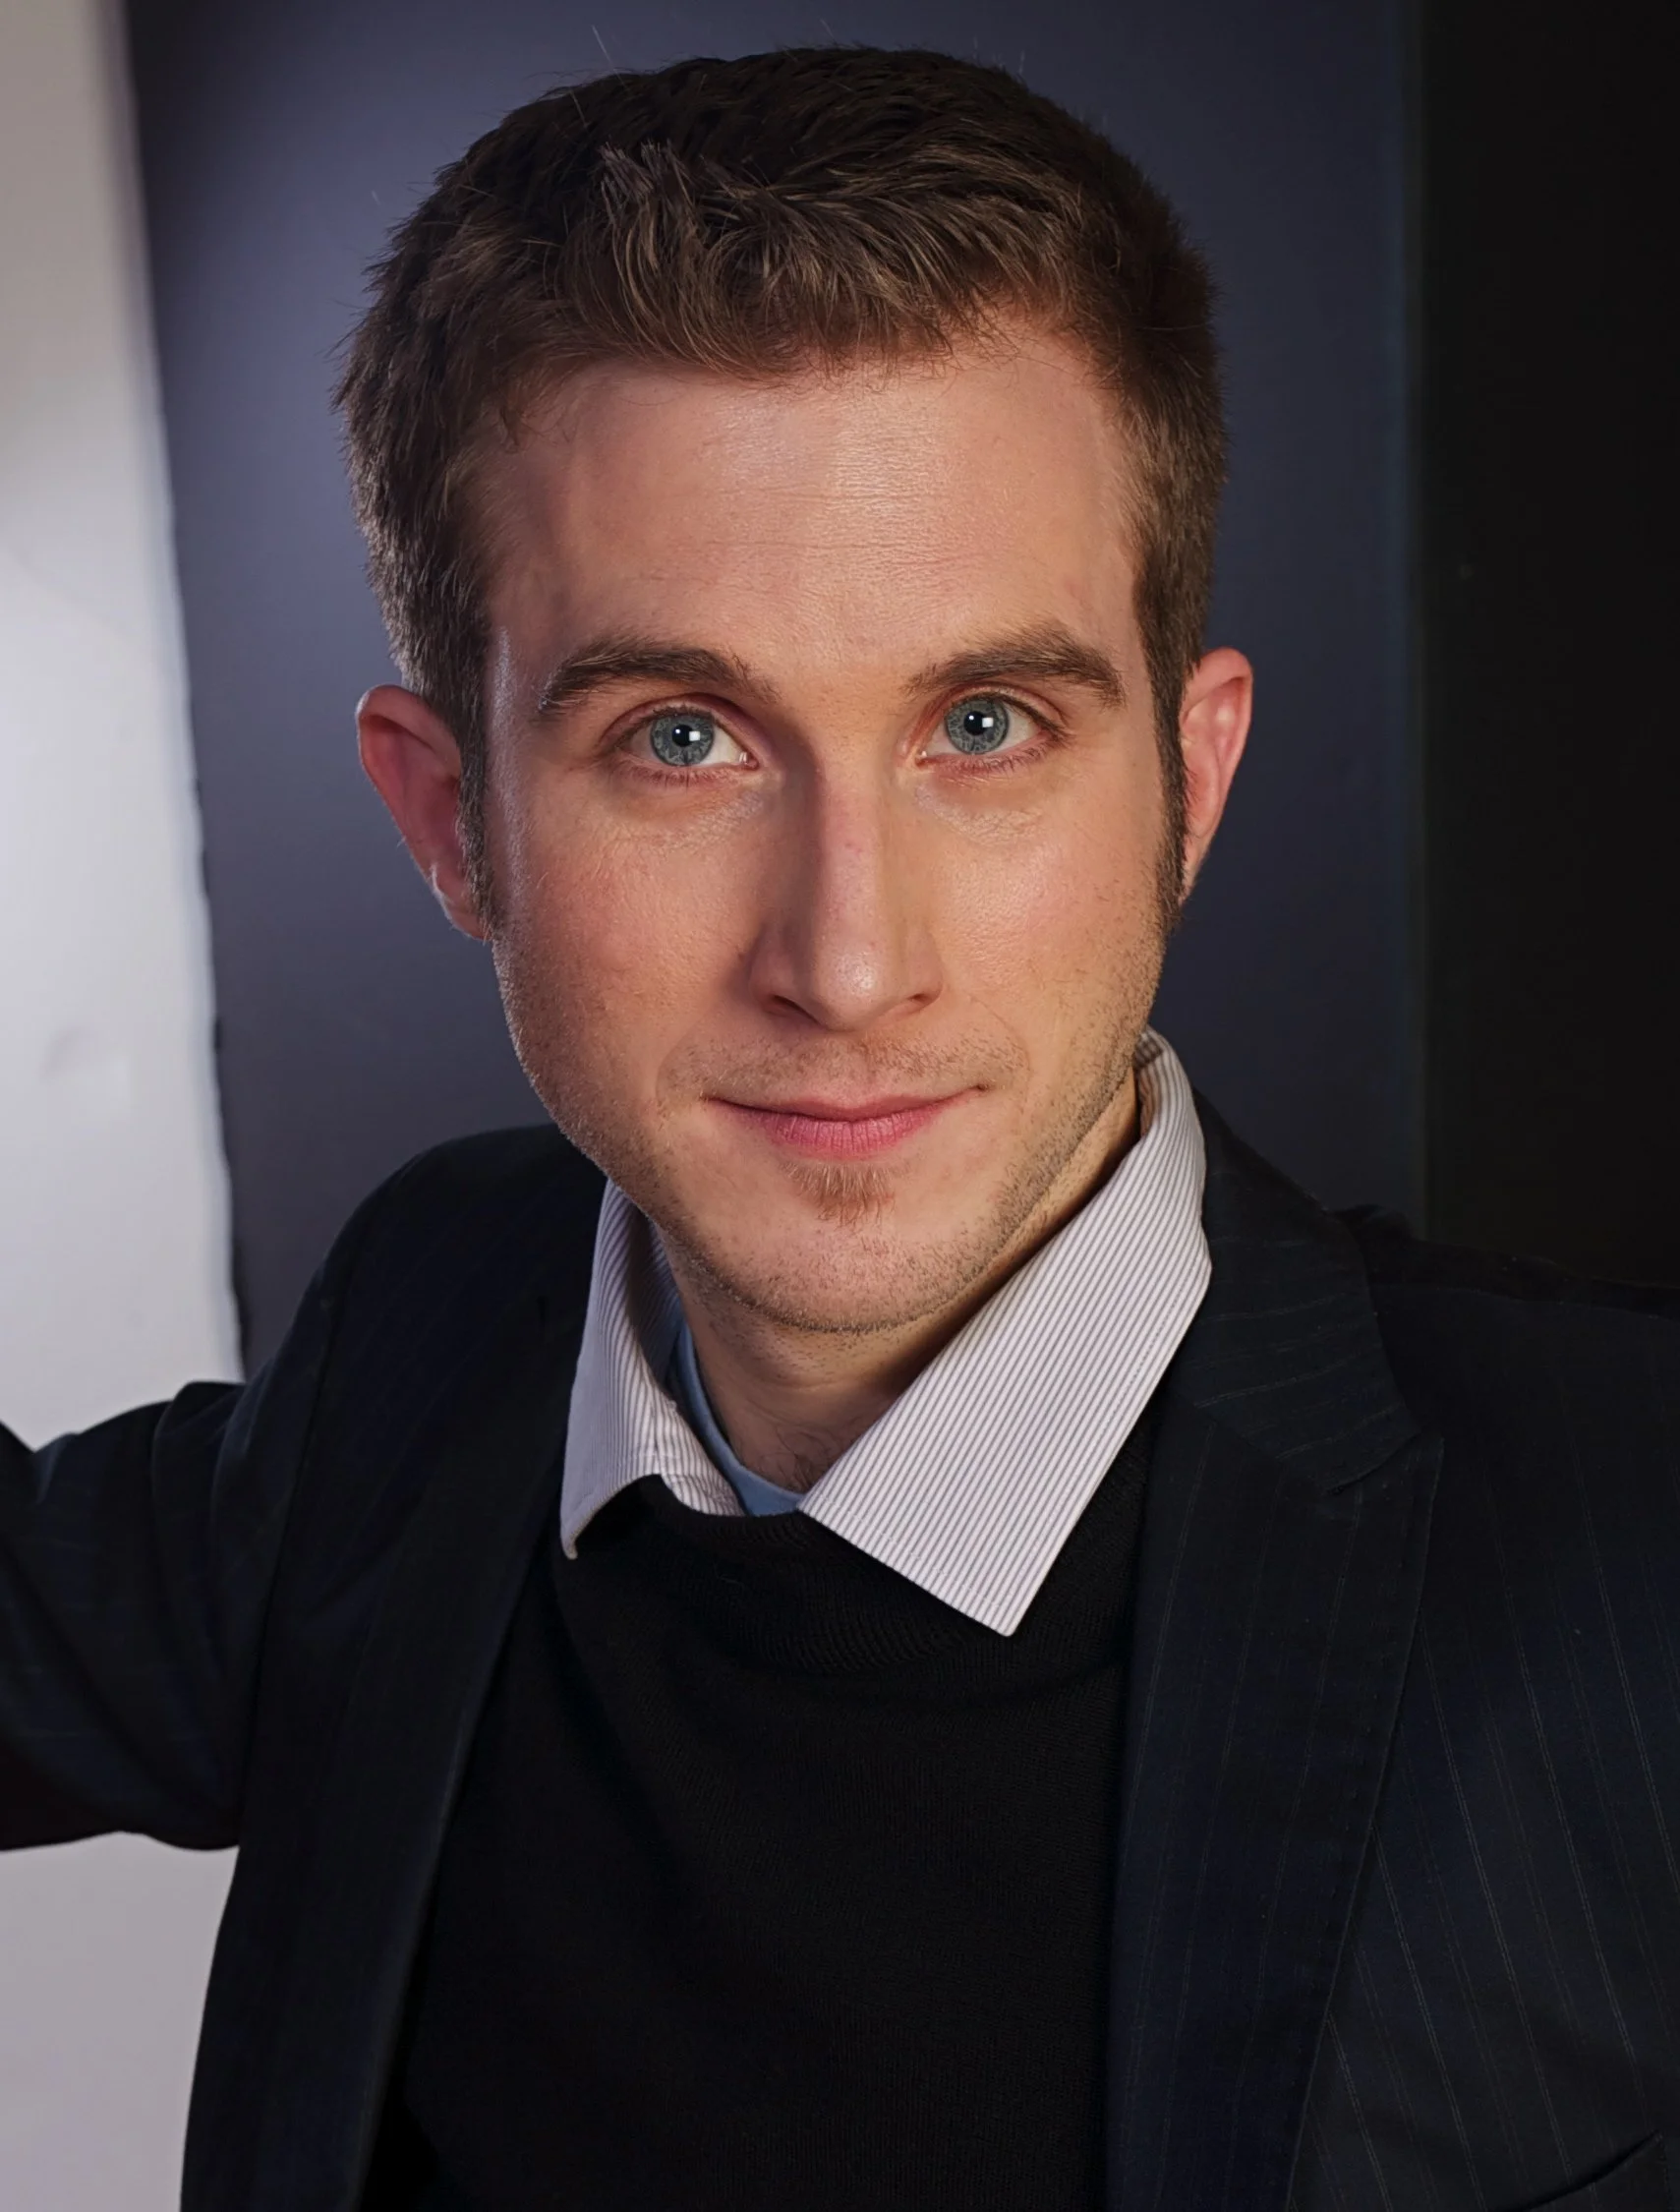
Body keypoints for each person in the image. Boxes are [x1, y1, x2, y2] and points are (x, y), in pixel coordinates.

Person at [3, 43, 1677, 2212]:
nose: (849, 961)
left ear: (1188, 782)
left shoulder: (1627, 1549)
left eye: (982, 723)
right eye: (680, 739)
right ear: (450, 818)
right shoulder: (429, 1327)